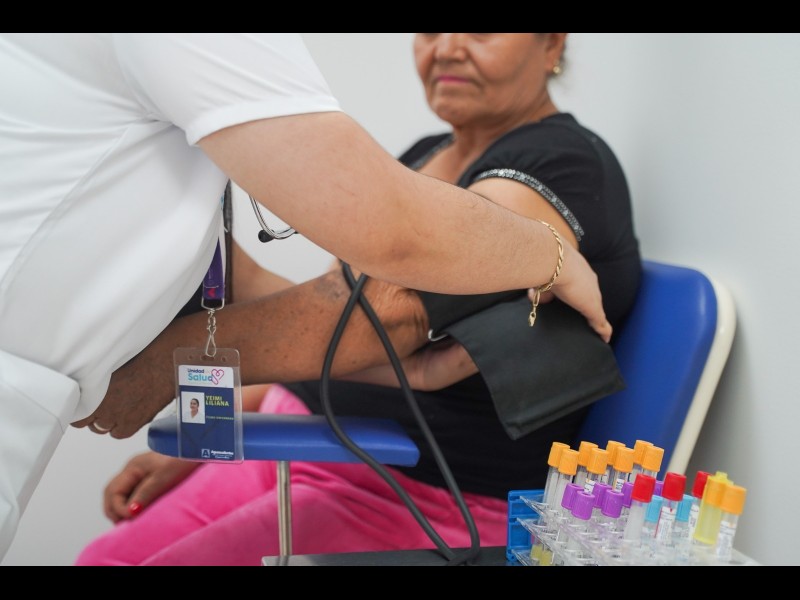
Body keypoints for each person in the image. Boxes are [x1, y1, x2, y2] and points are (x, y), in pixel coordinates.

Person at [0, 33, 611, 559]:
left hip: (407, 482)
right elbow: (320, 310)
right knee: (104, 557)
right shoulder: (424, 156)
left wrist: (172, 364)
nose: (446, 49)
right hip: (309, 438)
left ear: (552, 44)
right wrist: (217, 430)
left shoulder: (560, 160)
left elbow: (381, 316)